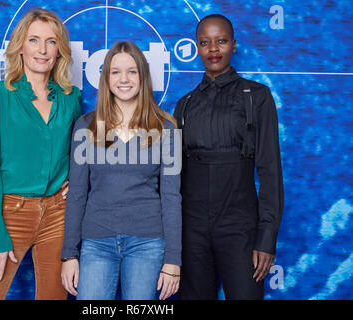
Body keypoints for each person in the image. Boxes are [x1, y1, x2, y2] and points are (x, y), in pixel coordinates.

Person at [0, 8, 82, 300]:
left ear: (60, 51)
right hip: (9, 214)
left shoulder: (71, 99)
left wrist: (77, 181)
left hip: (59, 215)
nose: (42, 50)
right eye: (34, 40)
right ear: (20, 46)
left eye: (51, 41)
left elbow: (78, 153)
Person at [174, 14, 284, 300]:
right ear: (197, 47)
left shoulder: (257, 97)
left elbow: (270, 171)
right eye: (205, 43)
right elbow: (170, 177)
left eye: (221, 41)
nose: (213, 49)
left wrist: (266, 237)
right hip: (192, 228)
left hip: (240, 227)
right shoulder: (183, 105)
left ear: (233, 45)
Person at [61, 41, 182, 300]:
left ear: (143, 76)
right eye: (115, 72)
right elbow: (77, 193)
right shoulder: (86, 126)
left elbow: (172, 198)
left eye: (132, 71)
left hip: (148, 244)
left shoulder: (167, 130)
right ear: (106, 78)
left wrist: (173, 261)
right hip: (96, 242)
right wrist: (69, 254)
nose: (124, 79)